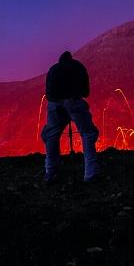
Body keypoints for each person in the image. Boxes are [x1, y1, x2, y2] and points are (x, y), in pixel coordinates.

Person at [40, 51, 100, 183]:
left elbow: (48, 94)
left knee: (51, 135)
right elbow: (86, 91)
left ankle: (50, 171)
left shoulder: (53, 69)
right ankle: (90, 173)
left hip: (55, 104)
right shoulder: (78, 67)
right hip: (74, 102)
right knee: (88, 132)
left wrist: (58, 102)